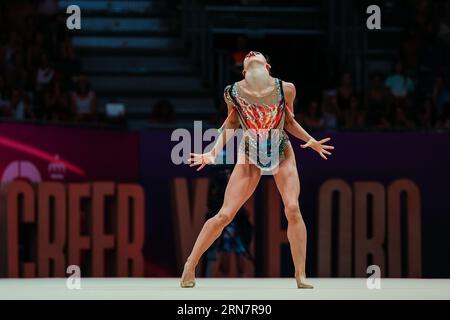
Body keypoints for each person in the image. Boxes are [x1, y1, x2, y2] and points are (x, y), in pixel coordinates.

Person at [181, 51, 334, 289]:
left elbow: (289, 121)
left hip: (281, 150)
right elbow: (231, 123)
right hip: (250, 153)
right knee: (224, 215)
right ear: (244, 71)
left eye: (257, 54)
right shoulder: (231, 92)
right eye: (248, 56)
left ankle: (300, 274)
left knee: (293, 209)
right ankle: (190, 264)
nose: (252, 53)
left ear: (268, 66)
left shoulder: (287, 89)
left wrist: (311, 140)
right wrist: (212, 151)